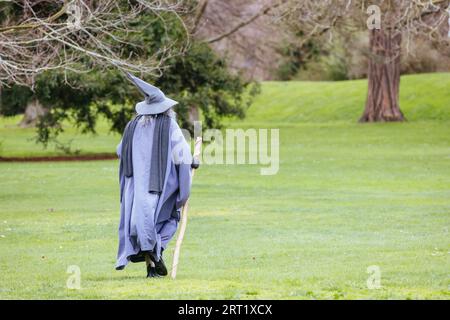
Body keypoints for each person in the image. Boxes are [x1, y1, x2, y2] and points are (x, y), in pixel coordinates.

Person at [115, 73, 196, 278]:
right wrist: (193, 162)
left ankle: (152, 265)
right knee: (169, 218)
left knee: (142, 225)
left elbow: (120, 150)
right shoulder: (170, 126)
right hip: (160, 188)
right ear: (166, 109)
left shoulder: (132, 126)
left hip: (135, 192)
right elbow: (182, 155)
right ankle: (156, 251)